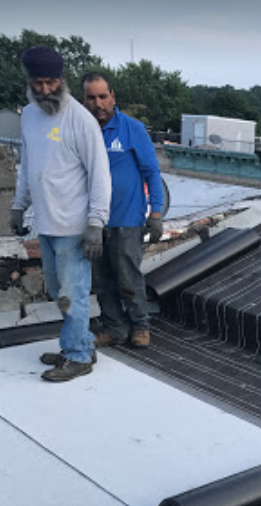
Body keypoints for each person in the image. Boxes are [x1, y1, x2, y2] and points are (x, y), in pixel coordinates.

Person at [10, 46, 111, 383]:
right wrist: (18, 203)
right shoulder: (29, 116)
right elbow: (29, 165)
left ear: (61, 80)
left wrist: (96, 222)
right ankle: (77, 344)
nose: (45, 90)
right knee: (57, 291)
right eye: (38, 83)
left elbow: (100, 173)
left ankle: (80, 357)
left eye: (51, 82)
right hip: (46, 222)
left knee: (72, 293)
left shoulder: (80, 119)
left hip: (74, 225)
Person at [81, 71, 165, 349]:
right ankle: (115, 328)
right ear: (84, 101)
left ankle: (140, 325)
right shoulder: (82, 132)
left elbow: (151, 171)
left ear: (112, 97)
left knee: (128, 277)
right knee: (102, 280)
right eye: (91, 98)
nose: (98, 103)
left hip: (126, 220)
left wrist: (156, 214)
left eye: (103, 96)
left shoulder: (132, 128)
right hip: (93, 223)